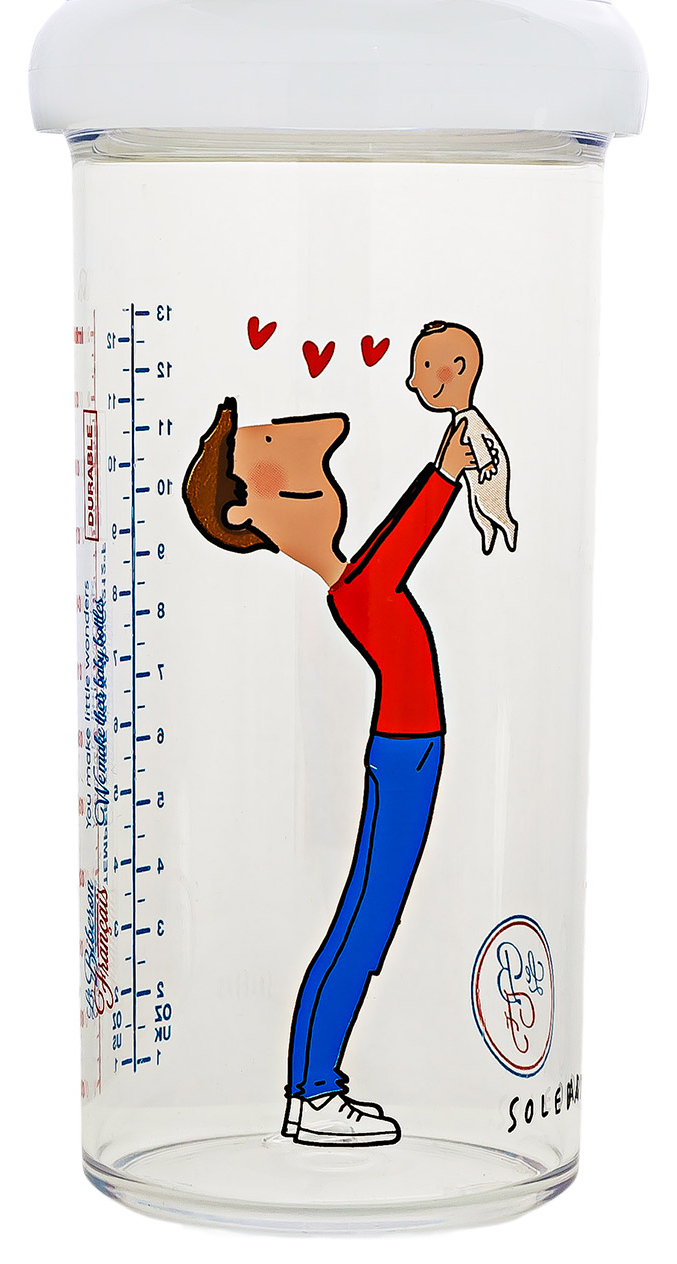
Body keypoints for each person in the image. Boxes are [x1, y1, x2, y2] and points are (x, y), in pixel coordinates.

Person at [182, 400, 476, 1145]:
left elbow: (386, 549)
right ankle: (314, 1092)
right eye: (267, 447)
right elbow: (396, 552)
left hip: (410, 752)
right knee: (362, 927)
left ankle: (313, 1088)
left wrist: (442, 473)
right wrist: (442, 476)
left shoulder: (355, 581)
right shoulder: (355, 591)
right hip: (404, 757)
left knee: (364, 923)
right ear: (246, 513)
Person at [405, 321, 518, 554]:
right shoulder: (458, 421)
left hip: (488, 475)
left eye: (427, 366)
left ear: (458, 367)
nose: (413, 382)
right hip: (475, 477)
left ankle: (508, 526)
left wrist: (486, 465)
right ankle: (489, 532)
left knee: (490, 505)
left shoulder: (469, 420)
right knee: (478, 509)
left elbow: (480, 441)